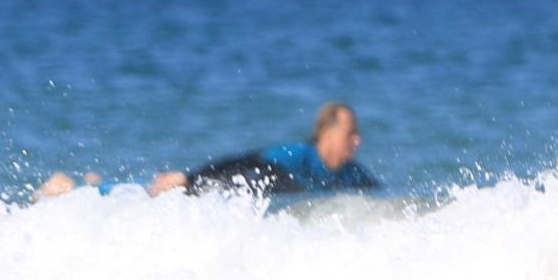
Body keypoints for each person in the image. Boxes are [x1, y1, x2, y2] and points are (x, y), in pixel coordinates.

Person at [37, 101, 380, 200]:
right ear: (325, 133)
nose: (357, 140)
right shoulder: (296, 155)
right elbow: (241, 162)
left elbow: (384, 200)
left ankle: (90, 184)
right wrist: (190, 179)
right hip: (221, 186)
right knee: (158, 194)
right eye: (350, 133)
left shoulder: (353, 174)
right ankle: (79, 190)